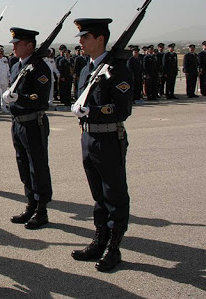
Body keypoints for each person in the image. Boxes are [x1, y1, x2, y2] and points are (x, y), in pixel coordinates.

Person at [70, 18, 133, 273]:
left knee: (114, 194)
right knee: (98, 195)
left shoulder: (118, 69)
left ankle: (113, 247)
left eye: (85, 37)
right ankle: (100, 239)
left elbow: (122, 109)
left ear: (100, 40)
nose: (81, 42)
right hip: (89, 137)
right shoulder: (87, 68)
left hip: (109, 138)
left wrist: (92, 111)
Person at [2, 28, 52, 230]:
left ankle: (42, 209)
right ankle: (31, 203)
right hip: (18, 122)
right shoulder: (16, 66)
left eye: (17, 43)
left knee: (37, 166)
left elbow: (40, 98)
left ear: (30, 45)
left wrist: (20, 98)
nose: (13, 46)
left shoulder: (40, 68)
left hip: (33, 122)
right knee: (23, 165)